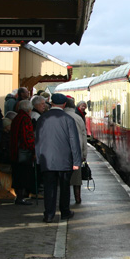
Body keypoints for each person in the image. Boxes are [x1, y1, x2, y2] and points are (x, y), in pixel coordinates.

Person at [35, 93, 81, 223]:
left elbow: (38, 140)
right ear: (64, 104)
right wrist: (76, 161)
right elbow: (74, 141)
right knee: (65, 187)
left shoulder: (42, 119)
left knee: (49, 188)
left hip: (47, 160)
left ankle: (49, 214)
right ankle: (65, 212)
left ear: (52, 103)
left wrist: (39, 158)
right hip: (65, 161)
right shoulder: (68, 119)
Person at [10, 100, 36, 205]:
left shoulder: (16, 117)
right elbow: (27, 137)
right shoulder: (25, 119)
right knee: (23, 174)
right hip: (23, 152)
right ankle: (20, 197)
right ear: (29, 109)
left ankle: (19, 196)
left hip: (15, 151)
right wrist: (33, 148)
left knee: (17, 174)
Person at [64, 96, 87, 204]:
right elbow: (83, 136)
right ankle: (78, 198)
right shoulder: (78, 118)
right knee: (77, 178)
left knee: (63, 179)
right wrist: (84, 153)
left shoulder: (60, 116)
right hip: (76, 152)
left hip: (62, 153)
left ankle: (64, 200)